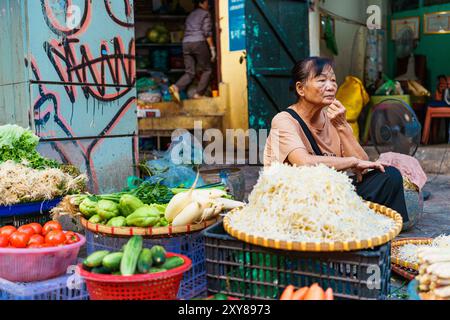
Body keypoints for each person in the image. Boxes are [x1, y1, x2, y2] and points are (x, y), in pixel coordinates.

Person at [264, 57, 409, 223]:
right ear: (300, 88)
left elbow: (362, 166)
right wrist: (352, 162)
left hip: (330, 194)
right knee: (330, 196)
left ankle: (383, 233)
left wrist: (342, 127)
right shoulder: (284, 120)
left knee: (389, 176)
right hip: (297, 201)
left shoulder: (334, 119)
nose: (331, 86)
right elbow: (303, 162)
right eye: (321, 80)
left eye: (333, 80)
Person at [169, 0, 216, 103]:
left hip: (186, 43)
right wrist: (212, 48)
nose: (209, 5)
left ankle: (176, 87)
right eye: (208, 3)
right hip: (198, 42)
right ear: (202, 2)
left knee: (190, 72)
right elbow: (207, 33)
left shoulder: (191, 14)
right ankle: (198, 94)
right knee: (207, 70)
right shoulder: (205, 13)